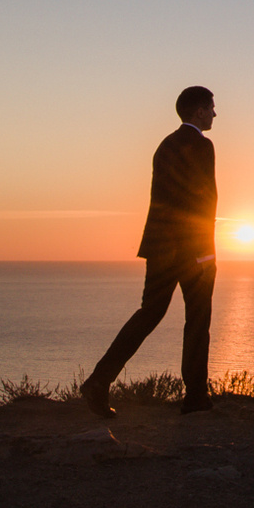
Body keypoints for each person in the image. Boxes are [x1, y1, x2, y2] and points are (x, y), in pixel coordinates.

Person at [83, 86, 218, 416]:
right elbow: (204, 200)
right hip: (190, 250)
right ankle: (196, 397)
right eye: (211, 107)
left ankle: (99, 381)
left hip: (160, 247)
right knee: (197, 320)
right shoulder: (202, 146)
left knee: (148, 315)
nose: (215, 113)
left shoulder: (164, 146)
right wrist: (204, 252)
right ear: (198, 111)